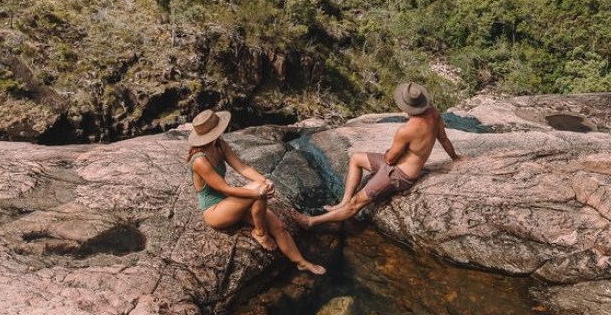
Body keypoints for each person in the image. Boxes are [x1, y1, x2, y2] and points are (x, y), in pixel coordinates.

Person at [297, 82, 460, 229]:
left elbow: (390, 159)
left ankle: (311, 222)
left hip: (398, 175)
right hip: (399, 167)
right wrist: (455, 158)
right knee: (356, 158)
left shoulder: (406, 130)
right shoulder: (434, 113)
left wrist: (390, 154)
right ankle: (344, 201)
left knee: (356, 204)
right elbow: (444, 139)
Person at [187, 108, 326, 274]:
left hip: (231, 203)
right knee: (258, 191)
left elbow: (242, 167)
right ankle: (260, 233)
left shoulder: (220, 145)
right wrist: (257, 192)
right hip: (215, 211)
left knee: (278, 226)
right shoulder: (199, 160)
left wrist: (263, 180)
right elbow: (224, 188)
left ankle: (302, 262)